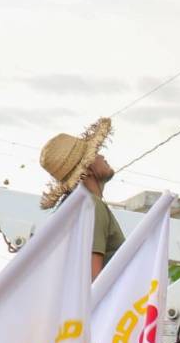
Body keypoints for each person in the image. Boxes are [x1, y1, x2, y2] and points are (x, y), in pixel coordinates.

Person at [38, 117, 126, 276]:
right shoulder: (91, 206)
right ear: (87, 168)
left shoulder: (71, 210)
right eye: (95, 152)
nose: (101, 156)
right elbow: (92, 276)